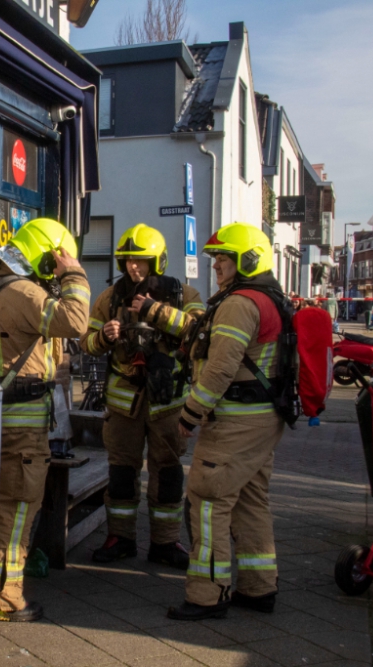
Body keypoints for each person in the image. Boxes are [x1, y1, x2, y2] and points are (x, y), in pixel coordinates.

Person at [0, 218, 89, 622]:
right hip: (20, 424)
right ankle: (2, 595)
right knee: (17, 503)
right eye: (55, 260)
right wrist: (73, 273)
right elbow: (75, 321)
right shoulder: (22, 291)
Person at [167, 223, 287, 621]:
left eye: (223, 258)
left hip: (234, 423)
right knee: (251, 500)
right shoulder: (269, 299)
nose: (216, 265)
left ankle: (207, 594)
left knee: (207, 500)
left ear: (248, 260)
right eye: (215, 258)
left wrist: (189, 415)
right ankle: (258, 588)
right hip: (262, 421)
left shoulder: (239, 304)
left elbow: (218, 370)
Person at [82, 224, 204, 569]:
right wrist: (104, 337)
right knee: (121, 473)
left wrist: (155, 311)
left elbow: (199, 334)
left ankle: (165, 544)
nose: (134, 268)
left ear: (157, 261)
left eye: (142, 261)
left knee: (167, 475)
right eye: (128, 261)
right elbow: (86, 344)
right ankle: (120, 539)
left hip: (167, 403)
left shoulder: (183, 294)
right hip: (123, 406)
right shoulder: (109, 298)